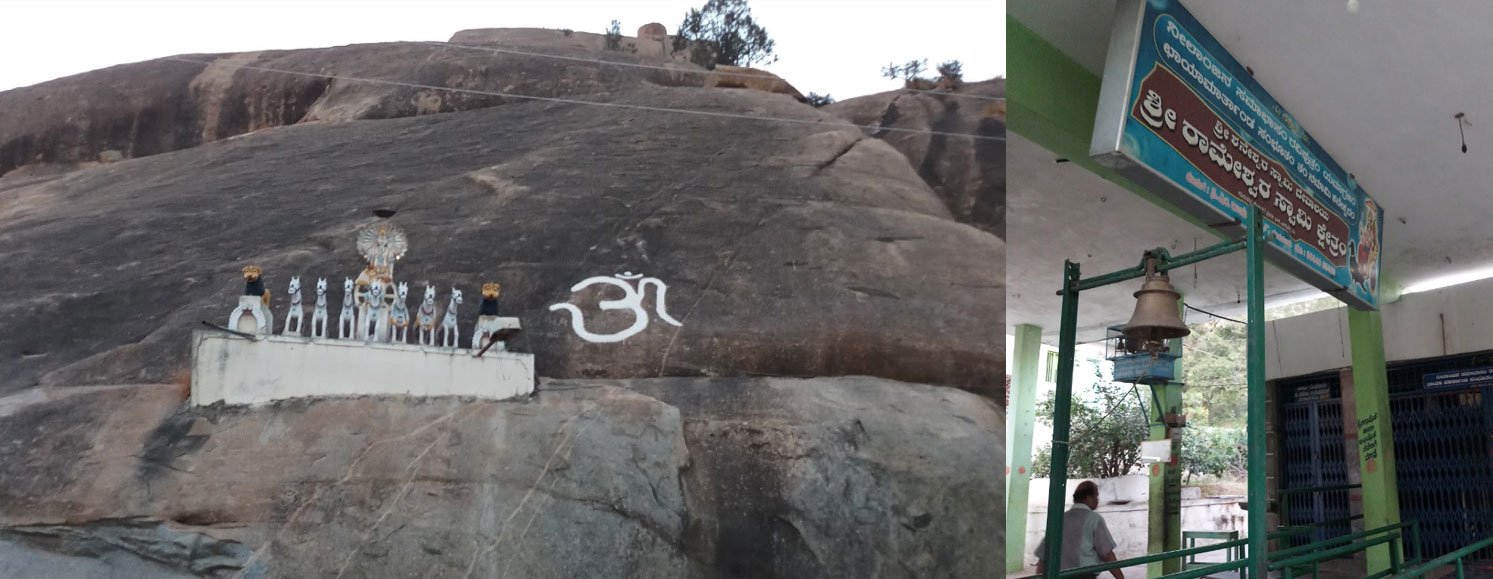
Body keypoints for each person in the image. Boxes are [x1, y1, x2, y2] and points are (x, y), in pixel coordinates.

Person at [1034, 481, 1123, 579]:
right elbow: (1106, 554)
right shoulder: (1094, 519)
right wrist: (1120, 577)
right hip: (1084, 575)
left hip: (1059, 575)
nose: (1097, 500)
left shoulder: (1060, 519)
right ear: (1088, 498)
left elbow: (1043, 557)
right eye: (1096, 497)